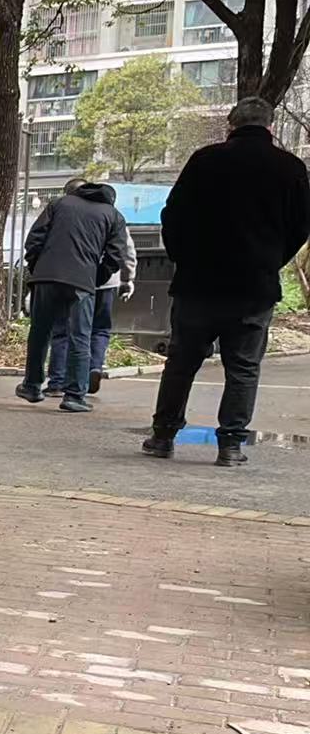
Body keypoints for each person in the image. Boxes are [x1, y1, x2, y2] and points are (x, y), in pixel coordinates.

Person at [144, 98, 310, 466]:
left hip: (198, 283)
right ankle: (231, 445)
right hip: (254, 286)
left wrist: (184, 258)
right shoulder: (291, 168)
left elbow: (173, 215)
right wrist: (270, 261)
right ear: (270, 127)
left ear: (230, 126)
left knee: (182, 363)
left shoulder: (205, 160)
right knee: (244, 368)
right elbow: (301, 226)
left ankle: (163, 436)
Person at [17, 179, 130, 412]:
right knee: (80, 336)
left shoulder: (59, 204)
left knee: (40, 333)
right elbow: (115, 255)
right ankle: (74, 395)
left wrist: (38, 267)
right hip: (82, 283)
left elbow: (34, 239)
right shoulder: (114, 215)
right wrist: (95, 278)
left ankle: (31, 385)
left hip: (46, 279)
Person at [47, 227, 136, 397]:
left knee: (63, 329)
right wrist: (127, 278)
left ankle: (57, 381)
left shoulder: (71, 213)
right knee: (100, 329)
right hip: (107, 282)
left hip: (72, 278)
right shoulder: (114, 217)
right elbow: (126, 250)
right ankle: (94, 367)